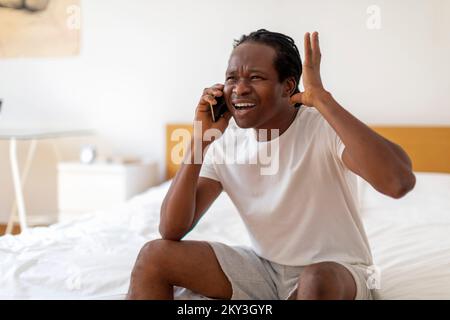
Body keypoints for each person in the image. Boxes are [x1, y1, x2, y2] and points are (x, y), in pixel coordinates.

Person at [127, 29, 416, 300]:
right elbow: (171, 230)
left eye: (255, 77)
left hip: (336, 274)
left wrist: (323, 100)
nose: (239, 89)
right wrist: (199, 141)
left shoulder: (323, 128)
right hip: (264, 269)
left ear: (287, 86)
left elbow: (398, 182)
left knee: (316, 281)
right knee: (153, 257)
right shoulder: (226, 143)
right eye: (231, 78)